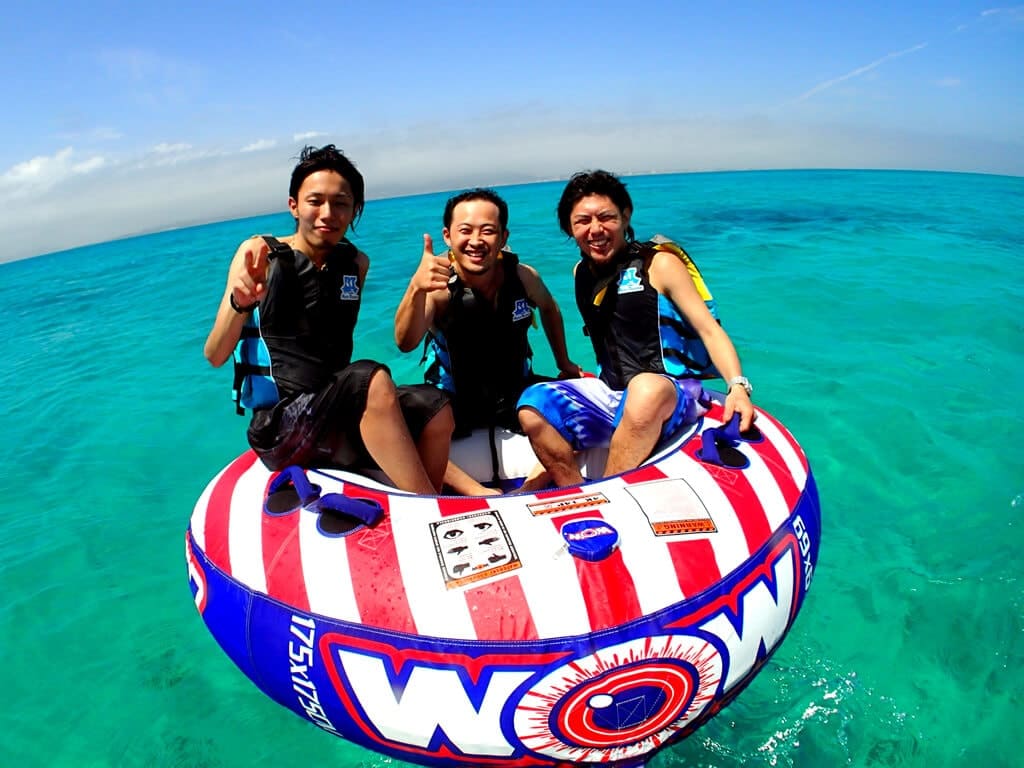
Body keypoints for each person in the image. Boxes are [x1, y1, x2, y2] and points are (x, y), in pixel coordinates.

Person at [204, 144, 453, 495]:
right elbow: (215, 355)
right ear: (293, 205)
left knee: (435, 406)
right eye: (315, 201)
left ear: (354, 211)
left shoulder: (356, 263)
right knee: (370, 377)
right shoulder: (260, 255)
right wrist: (239, 303)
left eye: (340, 203)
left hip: (331, 413)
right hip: (279, 427)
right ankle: (429, 506)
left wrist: (416, 286)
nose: (328, 213)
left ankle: (441, 495)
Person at [516, 170, 755, 489]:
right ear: (570, 229)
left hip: (668, 392)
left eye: (606, 217)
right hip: (612, 393)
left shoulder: (659, 265)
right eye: (582, 221)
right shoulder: (581, 273)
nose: (595, 229)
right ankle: (573, 490)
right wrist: (567, 366)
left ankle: (606, 490)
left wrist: (737, 386)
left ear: (626, 216)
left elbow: (709, 329)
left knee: (645, 388)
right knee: (532, 404)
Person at [394, 188, 580, 495]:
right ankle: (477, 492)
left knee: (581, 406)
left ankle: (532, 485)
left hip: (515, 391)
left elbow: (549, 308)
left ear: (503, 237)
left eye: (488, 231)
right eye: (465, 230)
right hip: (454, 400)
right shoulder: (438, 289)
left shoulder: (523, 277)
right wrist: (416, 288)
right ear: (447, 236)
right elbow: (405, 341)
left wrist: (564, 361)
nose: (476, 240)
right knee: (397, 425)